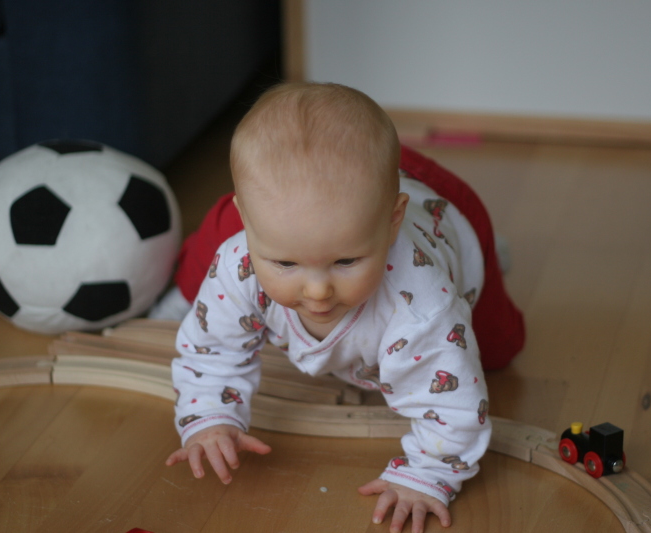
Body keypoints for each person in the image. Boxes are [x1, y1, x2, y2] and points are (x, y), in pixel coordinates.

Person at [163, 82, 524, 532]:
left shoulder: (424, 306)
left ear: (393, 222)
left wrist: (428, 475)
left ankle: (491, 251)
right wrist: (209, 415)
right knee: (208, 261)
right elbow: (211, 350)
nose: (317, 292)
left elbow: (455, 407)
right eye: (286, 263)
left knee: (500, 350)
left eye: (346, 261)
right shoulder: (240, 264)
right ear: (247, 224)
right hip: (352, 201)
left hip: (451, 216)